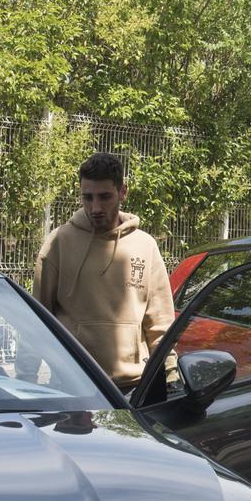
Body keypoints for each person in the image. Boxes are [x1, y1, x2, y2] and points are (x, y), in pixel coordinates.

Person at [34, 151, 175, 389]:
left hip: (133, 386)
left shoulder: (145, 246)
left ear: (123, 192)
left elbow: (160, 322)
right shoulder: (59, 242)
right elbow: (37, 319)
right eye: (87, 197)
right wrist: (24, 376)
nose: (95, 207)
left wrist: (171, 372)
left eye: (104, 197)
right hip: (74, 383)